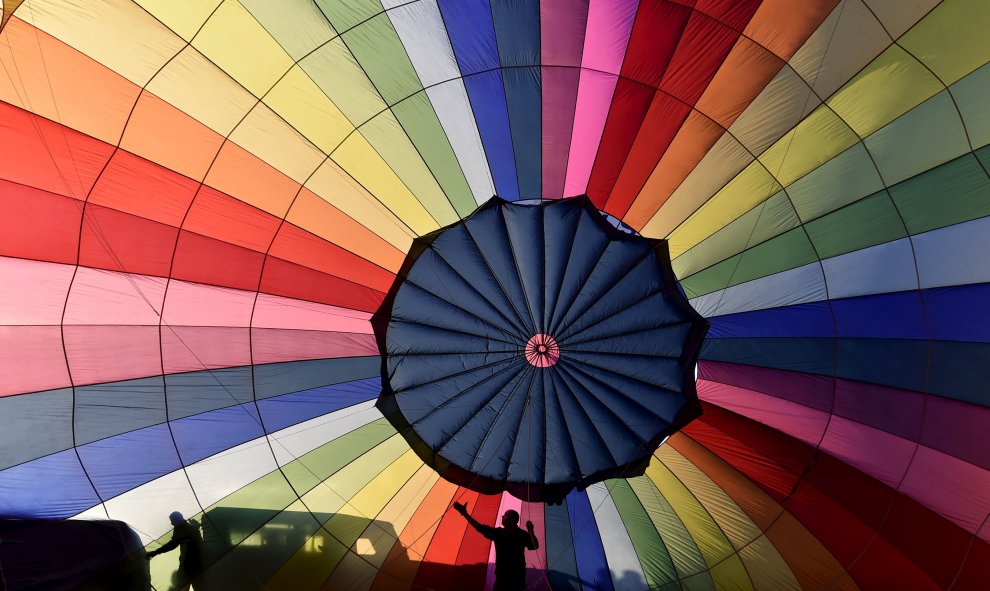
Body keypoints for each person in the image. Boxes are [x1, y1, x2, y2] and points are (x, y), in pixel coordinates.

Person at [453, 501, 539, 591]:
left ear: (512, 519)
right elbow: (480, 528)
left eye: (505, 515)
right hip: (502, 579)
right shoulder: (499, 533)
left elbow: (534, 546)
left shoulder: (520, 535)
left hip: (516, 581)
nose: (502, 516)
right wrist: (465, 514)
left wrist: (531, 530)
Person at [146, 511, 204, 591]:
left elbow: (172, 545)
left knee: (183, 586)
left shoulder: (181, 528)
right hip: (200, 562)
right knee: (199, 585)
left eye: (172, 520)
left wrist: (155, 552)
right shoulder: (190, 526)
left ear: (178, 519)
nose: (171, 523)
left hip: (188, 564)